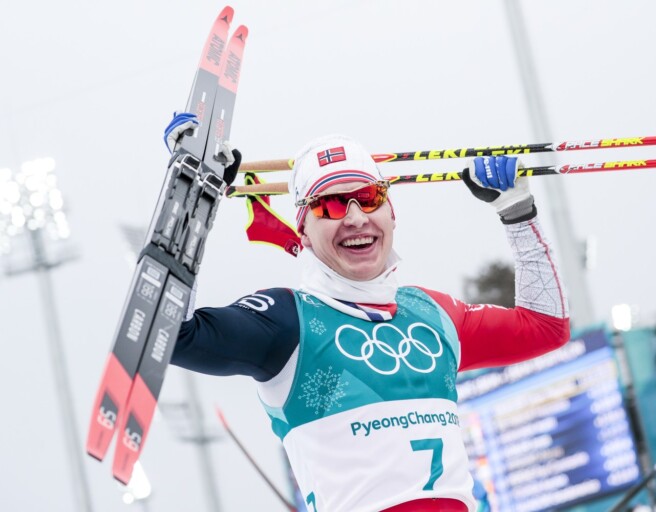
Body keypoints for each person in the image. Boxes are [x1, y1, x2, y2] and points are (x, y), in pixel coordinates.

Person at [166, 118, 570, 511]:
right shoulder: (288, 321)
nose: (356, 218)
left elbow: (545, 327)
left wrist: (517, 213)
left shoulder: (432, 313)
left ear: (391, 213)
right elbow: (174, 334)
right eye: (330, 205)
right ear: (304, 232)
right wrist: (191, 204)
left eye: (370, 198)